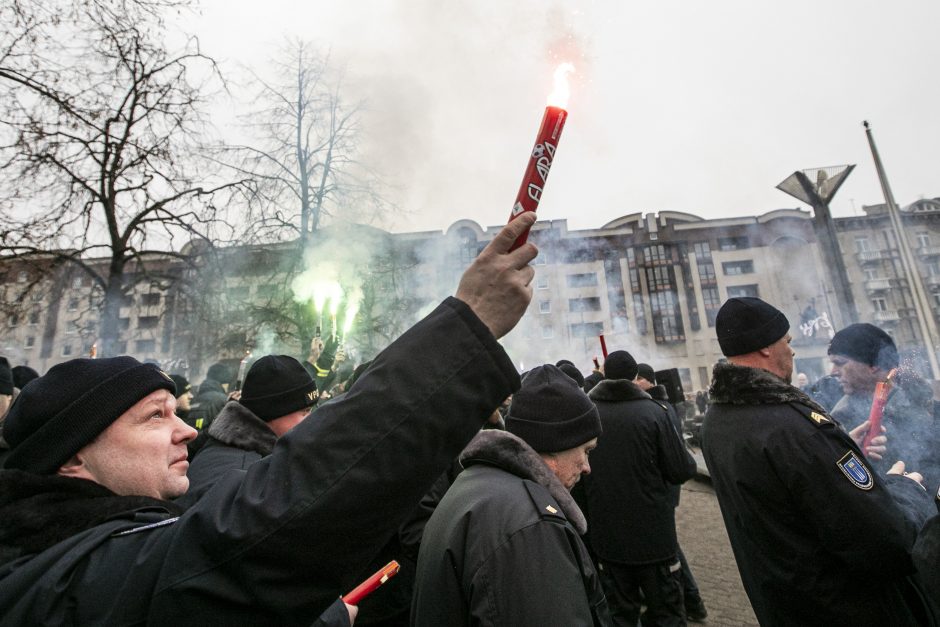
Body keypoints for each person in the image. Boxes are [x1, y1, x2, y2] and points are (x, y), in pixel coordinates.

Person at [0, 212, 538, 625]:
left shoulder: (98, 544)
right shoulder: (78, 576)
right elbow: (273, 521)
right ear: (72, 455)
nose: (188, 428)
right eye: (153, 417)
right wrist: (466, 329)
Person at [702, 297, 934, 627]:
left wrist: (841, 453)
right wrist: (906, 488)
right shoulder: (795, 428)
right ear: (767, 347)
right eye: (788, 341)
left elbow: (791, 488)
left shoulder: (719, 419)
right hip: (845, 608)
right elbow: (884, 543)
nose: (792, 351)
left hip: (787, 604)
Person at [411, 364, 609, 626]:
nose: (587, 467)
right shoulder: (530, 528)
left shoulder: (476, 483)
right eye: (585, 450)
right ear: (556, 444)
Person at [582, 351, 697, 627]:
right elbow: (681, 469)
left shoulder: (587, 414)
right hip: (654, 539)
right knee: (666, 613)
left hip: (608, 540)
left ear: (604, 374)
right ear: (635, 377)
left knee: (619, 616)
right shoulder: (655, 412)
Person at [182, 355, 317, 503]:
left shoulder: (239, 451)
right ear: (273, 412)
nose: (312, 419)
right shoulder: (244, 476)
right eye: (305, 412)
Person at [634, 363, 707, 623]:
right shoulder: (661, 405)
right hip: (664, 487)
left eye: (635, 380)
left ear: (644, 380)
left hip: (664, 488)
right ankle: (692, 600)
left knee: (670, 550)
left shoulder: (658, 408)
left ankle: (691, 600)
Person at [828, 323, 936, 486]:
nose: (833, 371)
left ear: (874, 365)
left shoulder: (926, 405)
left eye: (840, 362)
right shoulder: (839, 420)